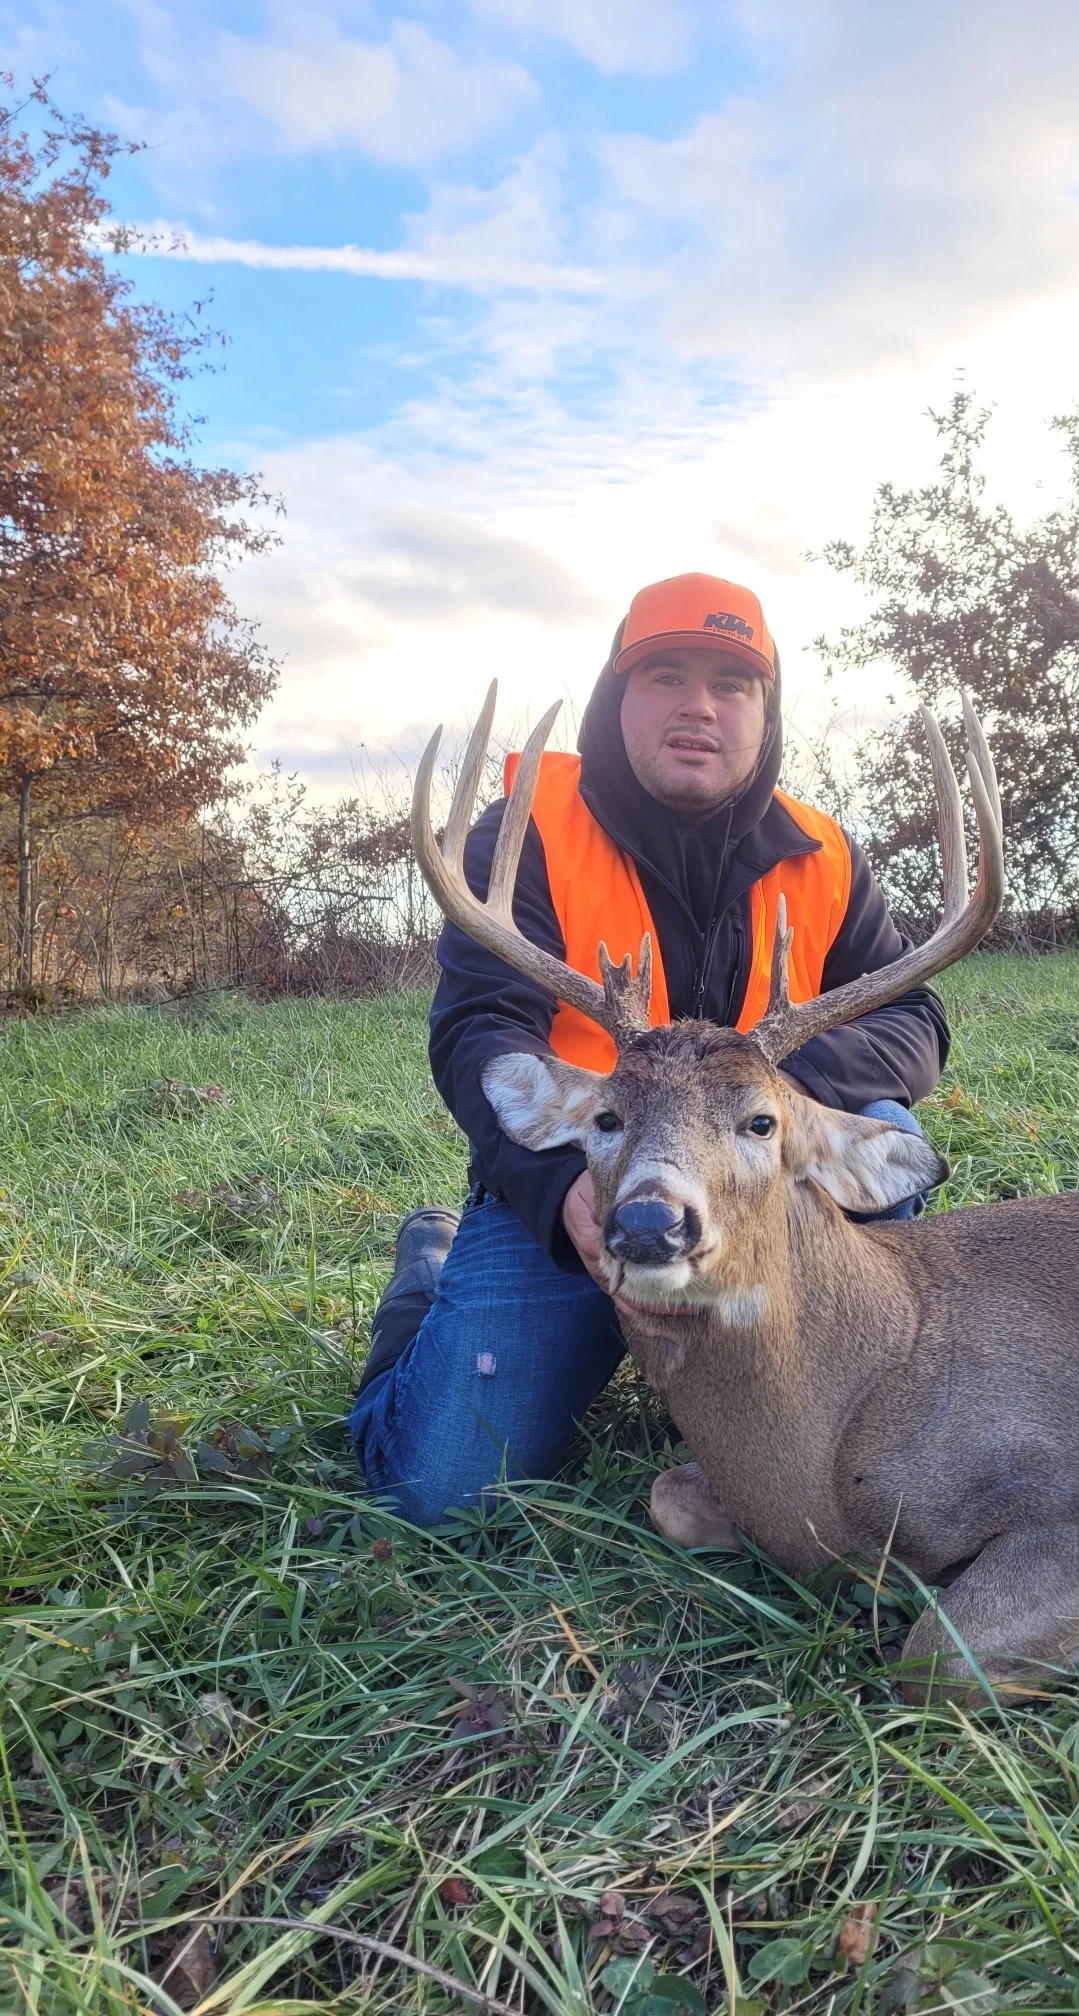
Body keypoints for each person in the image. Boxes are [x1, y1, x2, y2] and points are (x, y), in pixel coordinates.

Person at [349, 572, 951, 1525]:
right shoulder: (529, 836)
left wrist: (756, 1106)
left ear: (765, 708)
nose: (699, 707)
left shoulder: (825, 855)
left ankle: (776, 1373)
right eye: (665, 675)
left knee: (877, 1127)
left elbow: (913, 1019)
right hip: (585, 1183)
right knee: (438, 1491)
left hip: (753, 1194)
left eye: (733, 683)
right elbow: (481, 1030)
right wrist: (561, 1193)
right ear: (616, 697)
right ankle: (429, 1270)